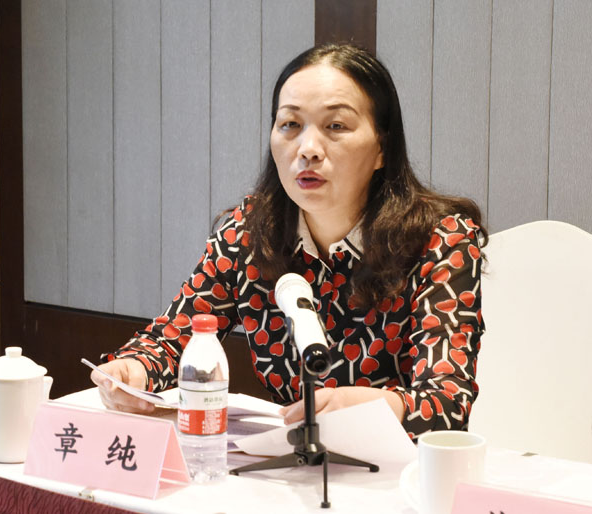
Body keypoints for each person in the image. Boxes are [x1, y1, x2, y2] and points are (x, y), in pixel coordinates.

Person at [91, 43, 487, 440]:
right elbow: (172, 338)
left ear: (382, 147)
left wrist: (377, 407)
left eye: (336, 126)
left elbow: (447, 403)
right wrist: (132, 370)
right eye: (290, 125)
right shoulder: (248, 232)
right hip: (288, 461)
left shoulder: (440, 240)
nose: (308, 150)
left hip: (396, 467)